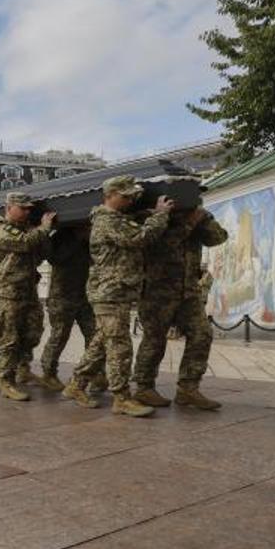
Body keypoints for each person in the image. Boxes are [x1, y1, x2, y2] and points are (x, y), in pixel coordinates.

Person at [63, 175, 172, 417]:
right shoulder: (106, 220)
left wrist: (147, 214)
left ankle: (76, 384)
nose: (130, 199)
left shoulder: (117, 218)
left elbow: (133, 227)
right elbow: (138, 238)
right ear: (110, 195)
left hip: (116, 291)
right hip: (109, 292)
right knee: (119, 346)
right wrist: (160, 215)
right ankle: (121, 397)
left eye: (133, 196)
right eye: (126, 196)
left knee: (102, 342)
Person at [131, 205, 228, 410]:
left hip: (188, 292)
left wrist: (203, 219)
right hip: (157, 292)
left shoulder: (197, 216)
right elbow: (159, 247)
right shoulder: (150, 215)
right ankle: (144, 387)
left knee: (202, 334)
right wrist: (187, 223)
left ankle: (188, 388)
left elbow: (219, 238)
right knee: (155, 339)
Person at [0, 193, 55, 401]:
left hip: (27, 289)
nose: (27, 212)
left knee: (33, 331)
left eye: (29, 209)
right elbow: (24, 243)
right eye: (22, 208)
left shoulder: (29, 230)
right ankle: (5, 380)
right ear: (9, 208)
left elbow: (40, 253)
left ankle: (23, 369)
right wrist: (43, 228)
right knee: (9, 338)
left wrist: (41, 233)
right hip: (6, 291)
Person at [39, 225, 97, 391]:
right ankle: (48, 373)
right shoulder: (61, 235)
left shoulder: (89, 238)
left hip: (83, 296)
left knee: (95, 335)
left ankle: (94, 372)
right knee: (59, 336)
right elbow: (55, 258)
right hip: (61, 296)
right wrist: (77, 238)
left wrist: (87, 239)